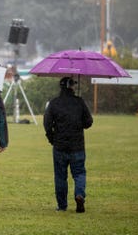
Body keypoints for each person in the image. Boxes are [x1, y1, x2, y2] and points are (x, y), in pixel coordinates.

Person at [43, 77, 93, 213]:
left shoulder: (54, 103)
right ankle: (79, 195)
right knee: (79, 173)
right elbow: (89, 122)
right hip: (77, 146)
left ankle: (62, 205)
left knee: (60, 176)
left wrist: (51, 138)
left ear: (61, 87)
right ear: (71, 87)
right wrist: (78, 123)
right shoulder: (79, 102)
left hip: (59, 146)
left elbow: (47, 124)